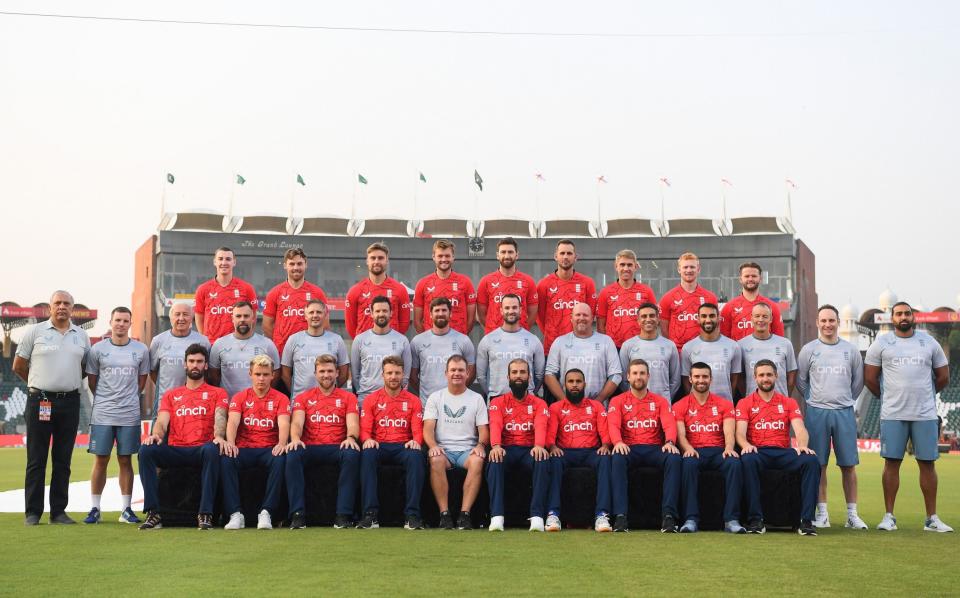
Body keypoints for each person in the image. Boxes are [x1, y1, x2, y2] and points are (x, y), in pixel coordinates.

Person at [864, 301, 952, 532]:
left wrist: (925, 394)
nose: (903, 317)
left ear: (913, 316)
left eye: (907, 313)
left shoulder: (928, 341)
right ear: (892, 318)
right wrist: (888, 397)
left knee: (927, 464)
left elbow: (943, 376)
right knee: (891, 463)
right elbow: (870, 378)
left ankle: (932, 518)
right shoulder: (881, 342)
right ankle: (889, 516)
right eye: (899, 314)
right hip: (893, 413)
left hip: (924, 414)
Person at [13, 290, 91, 525]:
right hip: (40, 401)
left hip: (70, 401)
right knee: (36, 458)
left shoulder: (82, 336)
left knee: (63, 459)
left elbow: (85, 368)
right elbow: (18, 365)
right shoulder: (35, 332)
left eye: (66, 303)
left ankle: (58, 512)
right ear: (50, 307)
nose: (62, 307)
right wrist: (39, 385)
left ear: (72, 308)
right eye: (57, 303)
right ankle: (33, 513)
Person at [138, 344, 231, 530]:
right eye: (191, 361)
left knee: (213, 449)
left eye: (199, 361)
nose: (195, 365)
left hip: (202, 449)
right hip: (176, 448)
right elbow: (162, 421)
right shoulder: (171, 395)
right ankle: (153, 512)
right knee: (146, 450)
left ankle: (205, 514)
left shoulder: (218, 393)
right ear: (185, 364)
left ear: (206, 366)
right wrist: (155, 435)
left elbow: (220, 418)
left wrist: (219, 436)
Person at [796, 304, 868, 530]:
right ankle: (823, 513)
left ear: (838, 322)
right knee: (819, 465)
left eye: (831, 320)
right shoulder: (809, 350)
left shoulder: (851, 351)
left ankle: (852, 515)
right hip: (817, 412)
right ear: (817, 323)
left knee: (848, 465)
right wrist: (815, 399)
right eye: (823, 321)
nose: (828, 325)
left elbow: (857, 383)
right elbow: (801, 381)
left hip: (844, 412)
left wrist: (843, 400)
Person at [736, 360, 820, 536]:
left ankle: (806, 521)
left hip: (782, 452)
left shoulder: (788, 402)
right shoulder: (745, 403)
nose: (765, 378)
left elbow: (800, 429)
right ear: (755, 378)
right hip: (758, 451)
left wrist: (803, 446)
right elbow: (740, 434)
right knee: (747, 459)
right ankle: (756, 520)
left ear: (776, 376)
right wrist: (745, 446)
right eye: (761, 375)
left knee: (811, 460)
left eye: (769, 375)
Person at [83, 307, 150, 525]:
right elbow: (92, 381)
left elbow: (142, 381)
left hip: (129, 414)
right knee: (100, 459)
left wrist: (127, 398)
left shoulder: (140, 350)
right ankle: (95, 508)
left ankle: (126, 509)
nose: (121, 324)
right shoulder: (97, 349)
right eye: (117, 320)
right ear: (111, 322)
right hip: (103, 413)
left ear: (130, 323)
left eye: (125, 320)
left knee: (125, 460)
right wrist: (107, 398)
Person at [284, 355, 361, 530]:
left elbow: (353, 424)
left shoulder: (348, 397)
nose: (326, 375)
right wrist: (295, 439)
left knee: (352, 453)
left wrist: (350, 438)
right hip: (310, 446)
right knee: (293, 453)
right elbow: (296, 423)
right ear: (315, 373)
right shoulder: (303, 397)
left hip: (337, 446)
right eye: (322, 371)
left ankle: (343, 514)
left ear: (337, 373)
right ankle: (298, 514)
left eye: (330, 371)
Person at [607, 359, 681, 533]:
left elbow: (669, 424)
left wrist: (670, 441)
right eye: (635, 373)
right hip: (629, 448)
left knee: (674, 458)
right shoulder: (617, 401)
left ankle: (669, 517)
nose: (638, 377)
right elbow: (613, 425)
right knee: (617, 457)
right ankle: (620, 517)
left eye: (642, 373)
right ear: (628, 376)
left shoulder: (660, 401)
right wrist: (618, 442)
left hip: (654, 448)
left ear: (648, 376)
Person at [673, 362, 745, 534]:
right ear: (690, 379)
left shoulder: (725, 404)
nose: (701, 380)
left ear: (711, 379)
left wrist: (729, 448)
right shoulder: (680, 405)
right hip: (694, 451)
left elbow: (729, 432)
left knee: (734, 462)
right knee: (688, 464)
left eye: (705, 376)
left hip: (718, 451)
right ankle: (691, 519)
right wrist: (687, 448)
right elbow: (680, 435)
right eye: (697, 377)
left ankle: (731, 520)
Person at [220, 355, 290, 530]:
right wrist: (230, 443)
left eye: (265, 374)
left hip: (269, 449)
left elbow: (283, 423)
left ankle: (266, 512)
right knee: (226, 459)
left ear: (272, 375)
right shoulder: (240, 397)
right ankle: (235, 514)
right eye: (258, 374)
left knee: (280, 459)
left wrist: (281, 443)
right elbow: (233, 422)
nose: (261, 378)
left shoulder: (281, 398)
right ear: (250, 374)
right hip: (244, 448)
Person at [358, 356, 426, 530]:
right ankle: (370, 515)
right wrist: (367, 440)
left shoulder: (413, 400)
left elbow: (418, 431)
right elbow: (365, 430)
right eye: (389, 373)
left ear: (403, 374)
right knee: (367, 454)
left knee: (416, 456)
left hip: (403, 446)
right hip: (379, 445)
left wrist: (416, 441)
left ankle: (412, 515)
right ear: (383, 375)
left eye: (397, 373)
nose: (393, 377)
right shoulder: (371, 400)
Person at [423, 356, 489, 530]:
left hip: (467, 451)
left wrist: (481, 445)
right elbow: (428, 429)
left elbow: (483, 431)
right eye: (453, 370)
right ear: (446, 373)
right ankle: (444, 514)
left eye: (460, 370)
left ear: (467, 373)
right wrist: (433, 446)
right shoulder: (435, 398)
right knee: (435, 460)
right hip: (444, 451)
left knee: (478, 460)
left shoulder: (476, 399)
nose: (456, 373)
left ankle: (464, 515)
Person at [486, 359, 551, 532]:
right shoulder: (497, 402)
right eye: (514, 372)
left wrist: (539, 445)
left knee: (542, 458)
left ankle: (537, 517)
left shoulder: (539, 403)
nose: (518, 376)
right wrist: (496, 445)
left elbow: (541, 425)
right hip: (506, 449)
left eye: (522, 372)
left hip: (529, 450)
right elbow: (495, 424)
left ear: (529, 376)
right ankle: (497, 516)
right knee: (494, 459)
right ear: (508, 377)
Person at [545, 369, 613, 533]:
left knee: (606, 459)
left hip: (591, 452)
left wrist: (605, 445)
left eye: (578, 381)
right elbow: (550, 435)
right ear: (565, 385)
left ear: (584, 384)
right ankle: (553, 514)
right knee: (553, 460)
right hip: (565, 452)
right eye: (571, 381)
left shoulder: (596, 406)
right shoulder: (555, 407)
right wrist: (552, 447)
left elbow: (605, 433)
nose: (574, 385)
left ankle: (602, 515)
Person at [544, 303, 621, 405]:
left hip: (597, 407)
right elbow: (549, 375)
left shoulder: (606, 341)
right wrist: (565, 402)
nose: (581, 318)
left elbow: (616, 375)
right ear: (571, 318)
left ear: (592, 318)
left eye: (585, 315)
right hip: (566, 408)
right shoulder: (560, 342)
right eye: (578, 315)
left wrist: (598, 402)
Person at [262, 248, 329, 358]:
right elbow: (267, 326)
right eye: (292, 264)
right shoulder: (275, 293)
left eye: (299, 264)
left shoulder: (317, 292)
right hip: (282, 353)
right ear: (285, 265)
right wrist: (280, 343)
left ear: (306, 264)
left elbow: (325, 325)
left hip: (310, 353)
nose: (296, 268)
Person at [475, 294, 545, 400]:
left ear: (520, 310)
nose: (511, 311)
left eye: (514, 307)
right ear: (501, 311)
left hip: (526, 400)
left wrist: (529, 392)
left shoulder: (533, 340)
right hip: (497, 399)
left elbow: (539, 375)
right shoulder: (488, 340)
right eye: (507, 308)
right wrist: (493, 394)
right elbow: (481, 376)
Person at [536, 239, 597, 355]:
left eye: (569, 253)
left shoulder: (587, 283)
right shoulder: (543, 284)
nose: (565, 257)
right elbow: (540, 316)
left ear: (576, 257)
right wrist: (552, 332)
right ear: (555, 256)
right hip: (552, 346)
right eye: (562, 253)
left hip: (580, 346)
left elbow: (590, 313)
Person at [149, 301, 209, 417]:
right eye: (177, 314)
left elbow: (208, 372)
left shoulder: (203, 341)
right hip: (165, 405)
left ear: (191, 318)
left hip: (194, 406)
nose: (181, 318)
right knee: (159, 434)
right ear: (171, 317)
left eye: (185, 314)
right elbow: (153, 371)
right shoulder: (158, 341)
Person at [209, 301, 280, 399]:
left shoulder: (267, 344)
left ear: (253, 318)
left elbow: (276, 375)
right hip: (228, 405)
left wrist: (263, 396)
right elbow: (214, 376)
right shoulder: (219, 344)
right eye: (238, 316)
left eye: (246, 316)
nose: (242, 319)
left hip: (257, 405)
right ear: (232, 319)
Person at [410, 297, 476, 403]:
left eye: (444, 310)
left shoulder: (463, 340)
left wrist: (457, 391)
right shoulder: (417, 341)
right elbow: (412, 376)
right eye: (437, 310)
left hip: (456, 402)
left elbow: (471, 372)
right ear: (430, 315)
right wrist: (425, 393)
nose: (440, 313)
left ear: (450, 314)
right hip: (427, 404)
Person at [350, 296, 412, 405]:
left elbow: (406, 375)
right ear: (371, 314)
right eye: (377, 311)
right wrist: (363, 392)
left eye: (385, 311)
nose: (381, 314)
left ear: (391, 313)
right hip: (365, 398)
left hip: (394, 400)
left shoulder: (402, 340)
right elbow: (355, 375)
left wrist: (396, 393)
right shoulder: (360, 340)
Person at [280, 299, 349, 397]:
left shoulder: (337, 340)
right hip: (300, 401)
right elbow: (285, 374)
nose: (315, 315)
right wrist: (297, 393)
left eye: (319, 312)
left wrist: (329, 390)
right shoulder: (294, 339)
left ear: (325, 315)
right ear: (305, 316)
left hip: (328, 401)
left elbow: (344, 373)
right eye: (311, 312)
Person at [345, 242, 411, 338]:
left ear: (387, 260)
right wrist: (362, 341)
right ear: (367, 261)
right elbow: (350, 325)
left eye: (380, 258)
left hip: (391, 345)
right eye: (373, 258)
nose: (376, 261)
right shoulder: (355, 290)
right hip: (365, 345)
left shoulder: (399, 290)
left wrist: (394, 339)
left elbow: (404, 323)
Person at [193, 246, 258, 343]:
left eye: (228, 259)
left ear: (234, 262)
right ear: (215, 262)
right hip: (211, 344)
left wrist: (245, 340)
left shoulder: (247, 288)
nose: (224, 263)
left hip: (238, 344)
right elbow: (199, 318)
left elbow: (253, 317)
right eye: (220, 259)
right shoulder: (203, 289)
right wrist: (205, 340)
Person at [680, 303, 742, 402]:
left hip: (725, 406)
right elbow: (685, 380)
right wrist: (695, 401)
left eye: (712, 316)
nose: (708, 320)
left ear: (719, 318)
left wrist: (727, 399)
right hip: (698, 408)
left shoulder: (733, 346)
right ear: (698, 319)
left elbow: (735, 379)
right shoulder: (688, 347)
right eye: (704, 316)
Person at [413, 239, 477, 335]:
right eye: (440, 256)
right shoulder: (423, 283)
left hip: (457, 341)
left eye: (447, 256)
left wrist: (461, 337)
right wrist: (426, 339)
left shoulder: (465, 282)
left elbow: (471, 319)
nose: (443, 259)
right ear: (433, 257)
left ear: (453, 257)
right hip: (431, 342)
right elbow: (417, 321)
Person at [596, 249, 657, 349]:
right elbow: (600, 324)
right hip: (615, 348)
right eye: (622, 265)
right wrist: (606, 346)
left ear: (635, 267)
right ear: (616, 266)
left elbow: (654, 320)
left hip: (641, 346)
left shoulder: (647, 291)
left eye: (629, 265)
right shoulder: (605, 293)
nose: (626, 268)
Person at [476, 237, 538, 333]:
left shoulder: (528, 281)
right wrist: (493, 331)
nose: (507, 255)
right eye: (503, 252)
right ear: (497, 255)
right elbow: (481, 315)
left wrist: (521, 330)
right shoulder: (486, 281)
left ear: (516, 255)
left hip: (520, 338)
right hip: (494, 338)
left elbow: (533, 314)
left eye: (510, 252)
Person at [618, 303, 680, 400]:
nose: (648, 319)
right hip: (635, 405)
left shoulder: (670, 345)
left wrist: (664, 399)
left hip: (662, 405)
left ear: (658, 319)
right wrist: (634, 398)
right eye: (644, 316)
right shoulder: (628, 346)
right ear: (638, 321)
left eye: (652, 316)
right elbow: (623, 380)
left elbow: (675, 380)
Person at [659, 252, 718, 351]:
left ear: (698, 269)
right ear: (679, 269)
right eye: (685, 267)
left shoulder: (710, 297)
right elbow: (664, 328)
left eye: (692, 267)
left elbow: (715, 326)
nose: (689, 270)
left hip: (704, 350)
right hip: (678, 353)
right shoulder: (667, 298)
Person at [738, 303, 797, 397]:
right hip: (754, 404)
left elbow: (792, 374)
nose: (761, 320)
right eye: (757, 316)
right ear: (751, 318)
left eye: (765, 316)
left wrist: (784, 395)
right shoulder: (741, 345)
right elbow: (739, 377)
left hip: (779, 403)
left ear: (771, 319)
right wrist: (749, 395)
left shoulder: (785, 344)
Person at [719, 262, 785, 341]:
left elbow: (779, 339)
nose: (750, 279)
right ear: (740, 279)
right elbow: (724, 340)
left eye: (754, 276)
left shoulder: (772, 306)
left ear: (760, 279)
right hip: (739, 353)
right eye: (747, 276)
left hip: (764, 353)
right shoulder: (729, 307)